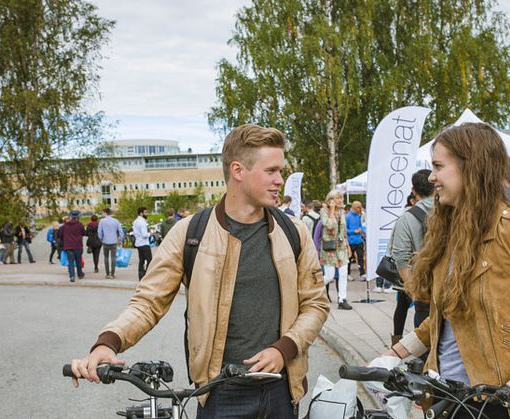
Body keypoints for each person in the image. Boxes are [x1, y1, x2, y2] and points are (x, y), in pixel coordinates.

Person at [70, 124, 329, 419]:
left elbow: (316, 304)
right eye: (271, 171)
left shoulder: (293, 231)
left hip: (281, 392)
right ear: (238, 170)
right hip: (219, 394)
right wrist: (109, 341)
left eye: (280, 171)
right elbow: (148, 302)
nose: (279, 180)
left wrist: (284, 349)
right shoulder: (190, 233)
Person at [384, 123, 510, 418]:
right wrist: (393, 355)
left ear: (471, 168)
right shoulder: (449, 235)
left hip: (499, 404)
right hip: (445, 399)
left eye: (439, 166)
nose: (431, 177)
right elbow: (444, 318)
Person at [389, 169, 433, 346]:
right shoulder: (454, 209)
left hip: (423, 290)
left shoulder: (407, 218)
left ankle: (397, 343)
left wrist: (415, 291)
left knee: (425, 346)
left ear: (414, 190)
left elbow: (400, 257)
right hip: (454, 293)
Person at [320, 189, 352, 310]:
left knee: (343, 274)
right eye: (338, 198)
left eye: (341, 198)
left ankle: (342, 299)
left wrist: (348, 246)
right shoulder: (324, 211)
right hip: (330, 248)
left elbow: (343, 231)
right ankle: (313, 290)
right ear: (331, 200)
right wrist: (332, 211)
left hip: (341, 247)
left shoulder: (343, 212)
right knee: (329, 276)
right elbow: (329, 226)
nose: (340, 200)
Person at [58, 210, 86, 282]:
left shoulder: (65, 226)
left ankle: (72, 276)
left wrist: (65, 240)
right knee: (78, 260)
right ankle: (80, 274)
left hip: (68, 246)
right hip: (78, 245)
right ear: (78, 217)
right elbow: (83, 233)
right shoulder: (80, 224)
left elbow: (60, 235)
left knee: (70, 261)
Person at [98, 208, 123, 279]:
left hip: (105, 241)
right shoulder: (116, 221)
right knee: (113, 258)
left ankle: (107, 274)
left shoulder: (102, 221)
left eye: (102, 213)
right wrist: (120, 239)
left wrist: (101, 239)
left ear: (105, 213)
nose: (102, 214)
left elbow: (99, 232)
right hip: (114, 241)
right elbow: (121, 231)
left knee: (106, 258)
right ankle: (112, 274)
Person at [346, 201, 366, 281]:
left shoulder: (358, 216)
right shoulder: (347, 216)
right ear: (355, 207)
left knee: (360, 258)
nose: (360, 209)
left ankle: (362, 273)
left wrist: (361, 230)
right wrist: (353, 231)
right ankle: (347, 274)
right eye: (359, 207)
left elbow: (360, 226)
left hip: (359, 240)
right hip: (351, 241)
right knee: (349, 259)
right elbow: (345, 229)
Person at [132, 207, 152, 280]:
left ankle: (141, 277)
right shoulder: (142, 222)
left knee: (141, 261)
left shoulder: (135, 221)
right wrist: (151, 233)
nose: (147, 214)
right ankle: (147, 277)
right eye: (146, 212)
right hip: (144, 243)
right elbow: (144, 234)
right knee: (149, 260)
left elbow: (134, 233)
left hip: (138, 243)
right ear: (141, 213)